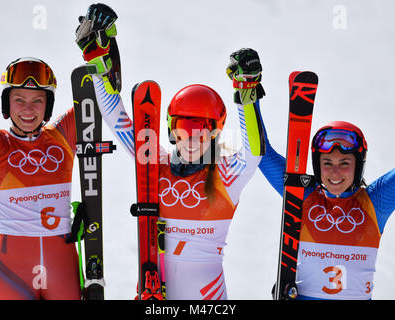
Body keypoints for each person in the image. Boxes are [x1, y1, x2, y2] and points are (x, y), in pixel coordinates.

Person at [75, 8, 267, 298]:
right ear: (170, 129)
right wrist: (97, 57)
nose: (190, 137)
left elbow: (254, 153)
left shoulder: (227, 175)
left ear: (216, 131)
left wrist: (246, 91)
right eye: (182, 125)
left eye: (201, 127)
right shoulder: (154, 163)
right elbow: (117, 118)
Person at [0, 3, 118, 300]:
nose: (27, 109)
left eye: (37, 101)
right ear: (6, 103)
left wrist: (102, 44)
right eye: (19, 99)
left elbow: (104, 92)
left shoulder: (61, 137)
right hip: (10, 276)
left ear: (47, 106)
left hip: (62, 271)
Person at [260, 118, 395, 299]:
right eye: (327, 162)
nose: (335, 172)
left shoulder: (375, 203)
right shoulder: (303, 197)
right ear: (318, 166)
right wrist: (247, 101)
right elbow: (261, 153)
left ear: (358, 165)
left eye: (344, 163)